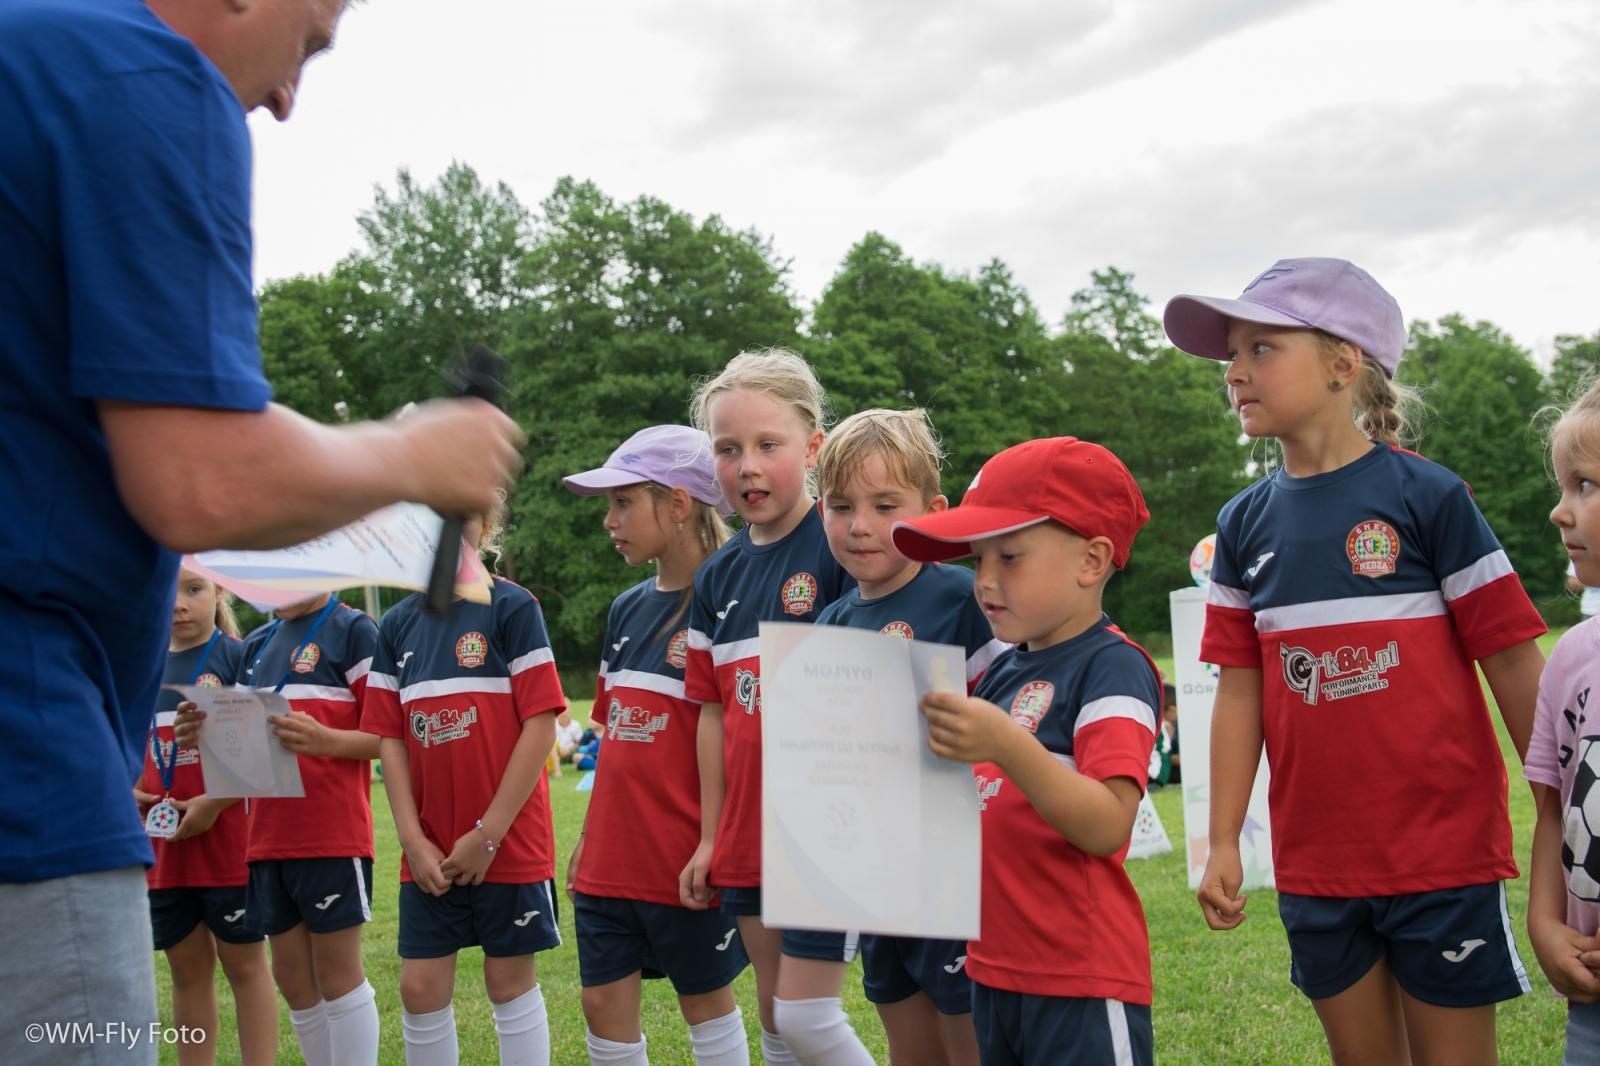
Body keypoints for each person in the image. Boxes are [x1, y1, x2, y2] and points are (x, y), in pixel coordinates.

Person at [0, 1, 522, 1059]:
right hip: (26, 764)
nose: (287, 100)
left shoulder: (31, 56)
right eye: (309, 44)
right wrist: (417, 457)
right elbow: (200, 475)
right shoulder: (146, 78)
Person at [1165, 258, 1548, 1064]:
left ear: (1345, 363)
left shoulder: (1430, 498)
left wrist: (1560, 812)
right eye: (1231, 355)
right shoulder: (1242, 525)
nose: (1233, 372)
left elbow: (1513, 665)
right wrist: (1223, 839)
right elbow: (1240, 694)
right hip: (1316, 866)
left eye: (1261, 348)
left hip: (1440, 854)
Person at [894, 436, 1162, 1066]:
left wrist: (1007, 744)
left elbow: (1106, 823)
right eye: (977, 559)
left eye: (1009, 557)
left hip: (1081, 976)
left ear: (1092, 560)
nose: (983, 581)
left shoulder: (1113, 667)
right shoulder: (1005, 670)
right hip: (992, 968)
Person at [807, 409, 1007, 1066]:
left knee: (967, 1038)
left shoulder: (965, 599)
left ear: (933, 508)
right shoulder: (831, 621)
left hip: (952, 875)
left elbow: (1009, 728)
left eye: (884, 504)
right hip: (874, 875)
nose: (860, 525)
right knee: (907, 1042)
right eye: (840, 506)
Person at [677, 349, 853, 1065]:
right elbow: (713, 713)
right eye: (727, 449)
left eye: (767, 445)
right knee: (776, 1012)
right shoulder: (715, 577)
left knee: (813, 1014)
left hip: (832, 822)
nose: (746, 465)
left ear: (813, 447)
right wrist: (712, 836)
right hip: (750, 827)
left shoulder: (845, 544)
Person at [563, 424, 752, 1066]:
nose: (610, 521)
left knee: (706, 1004)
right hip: (611, 860)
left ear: (677, 504)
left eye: (623, 502)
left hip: (687, 860)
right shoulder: (626, 609)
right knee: (601, 1007)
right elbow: (614, 738)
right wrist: (591, 837)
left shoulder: (735, 603)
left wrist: (714, 842)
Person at [363, 504, 566, 1066]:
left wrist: (489, 833)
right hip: (428, 847)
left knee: (509, 983)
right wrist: (410, 838)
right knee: (420, 990)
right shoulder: (396, 624)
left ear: (485, 522)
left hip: (508, 842)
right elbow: (390, 739)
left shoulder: (512, 606)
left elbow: (541, 723)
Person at [181, 590, 384, 1065]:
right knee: (292, 980)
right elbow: (244, 751)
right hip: (266, 839)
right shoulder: (256, 643)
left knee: (337, 975)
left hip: (331, 834)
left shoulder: (354, 630)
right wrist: (202, 729)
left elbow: (387, 736)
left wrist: (326, 740)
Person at [135, 567, 277, 1065]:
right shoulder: (139, 665)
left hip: (229, 844)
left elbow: (263, 757)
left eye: (193, 589)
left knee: (245, 964)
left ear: (219, 591)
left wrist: (214, 804)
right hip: (165, 848)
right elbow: (125, 748)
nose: (178, 604)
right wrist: (131, 788)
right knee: (186, 968)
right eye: (167, 589)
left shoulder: (239, 660)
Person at [1527, 376, 1600, 1062]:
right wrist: (1546, 925)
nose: (1560, 511)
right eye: (1562, 486)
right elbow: (1554, 811)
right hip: (1591, 1005)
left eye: (1586, 486)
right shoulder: (1571, 658)